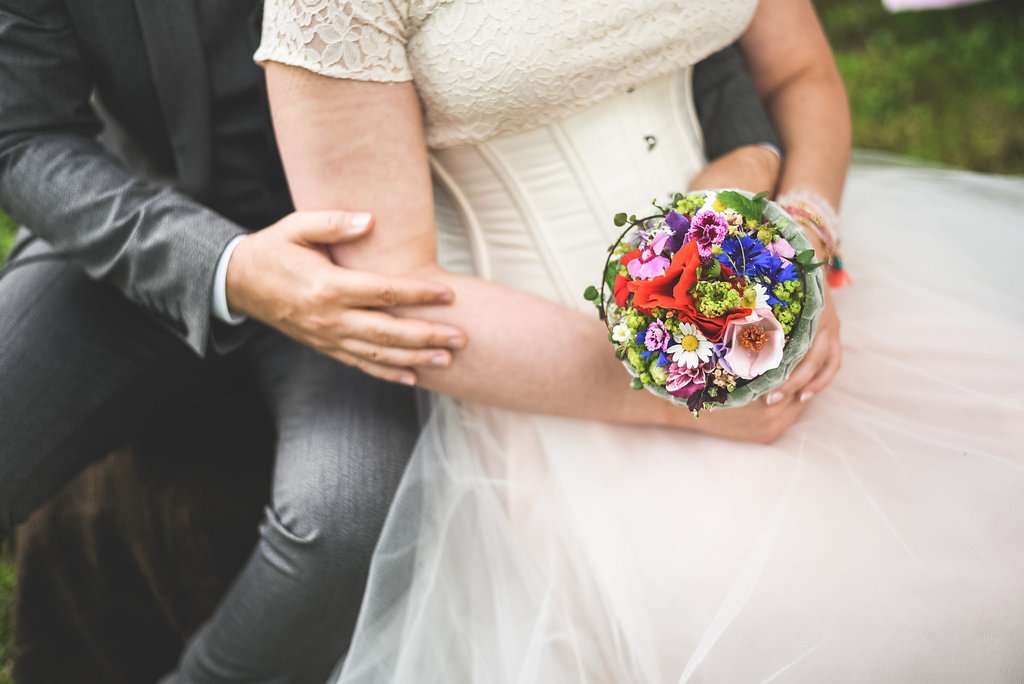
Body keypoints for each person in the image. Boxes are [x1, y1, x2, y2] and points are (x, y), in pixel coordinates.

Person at [0, 1, 785, 681]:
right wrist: (225, 266)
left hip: (367, 266)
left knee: (345, 513)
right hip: (131, 233)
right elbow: (23, 137)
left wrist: (753, 150)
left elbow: (660, 32)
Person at [255, 0, 1024, 681]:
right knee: (807, 617)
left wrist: (803, 244)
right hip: (546, 379)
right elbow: (390, 296)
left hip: (761, 279)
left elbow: (802, 75)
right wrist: (681, 397)